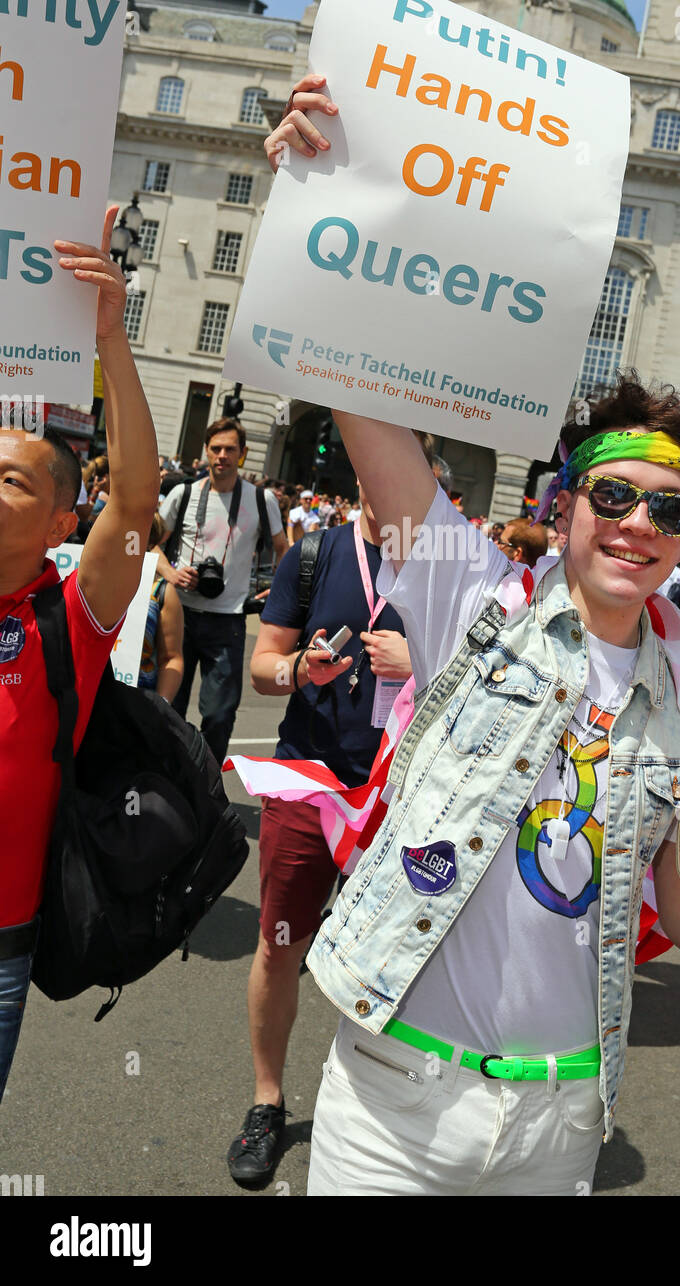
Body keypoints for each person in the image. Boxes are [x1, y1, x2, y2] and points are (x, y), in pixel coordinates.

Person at [267, 71, 680, 1197]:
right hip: (394, 1098)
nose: (638, 524)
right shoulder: (469, 595)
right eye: (613, 496)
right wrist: (317, 193)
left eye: (670, 509)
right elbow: (352, 393)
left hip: (558, 1119)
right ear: (562, 505)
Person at [0, 208, 160, 1102]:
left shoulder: (68, 614)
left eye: (12, 481)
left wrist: (112, 342)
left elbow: (134, 503)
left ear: (63, 524)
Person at [226, 483, 411, 1186]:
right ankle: (267, 1101)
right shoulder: (315, 554)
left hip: (402, 795)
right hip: (309, 786)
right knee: (280, 945)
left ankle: (374, 1107)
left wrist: (419, 667)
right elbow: (262, 666)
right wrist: (300, 667)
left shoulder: (449, 567)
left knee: (398, 962)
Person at [156, 418, 288, 763]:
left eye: (230, 449)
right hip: (178, 615)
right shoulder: (183, 493)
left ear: (242, 454)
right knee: (168, 709)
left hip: (227, 621)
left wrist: (279, 590)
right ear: (206, 451)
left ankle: (206, 790)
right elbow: (147, 541)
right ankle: (167, 779)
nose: (222, 456)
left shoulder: (262, 500)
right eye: (216, 449)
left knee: (219, 716)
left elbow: (283, 550)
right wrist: (170, 572)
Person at [137, 512, 185, 704]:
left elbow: (171, 658)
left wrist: (161, 707)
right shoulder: (86, 578)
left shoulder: (160, 591)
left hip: (138, 703)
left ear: (150, 544)